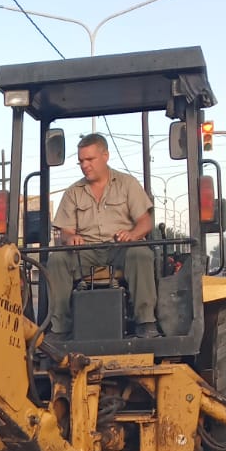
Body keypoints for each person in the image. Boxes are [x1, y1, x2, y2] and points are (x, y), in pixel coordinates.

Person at [44, 133, 158, 342]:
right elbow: (66, 231)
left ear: (105, 156)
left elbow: (145, 222)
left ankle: (145, 321)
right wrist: (71, 239)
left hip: (120, 248)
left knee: (141, 254)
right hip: (85, 252)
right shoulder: (73, 192)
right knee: (57, 259)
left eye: (89, 159)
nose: (84, 165)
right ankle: (60, 327)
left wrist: (132, 235)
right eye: (81, 161)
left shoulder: (127, 184)